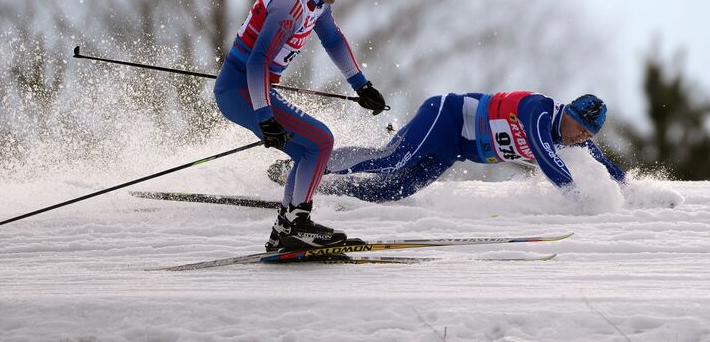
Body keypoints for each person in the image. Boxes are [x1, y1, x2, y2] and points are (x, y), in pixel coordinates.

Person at [214, 0, 386, 251]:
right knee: (321, 141)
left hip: (251, 88)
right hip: (243, 90)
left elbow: (332, 38)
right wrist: (265, 117)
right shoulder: (289, 7)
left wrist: (362, 85)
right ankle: (297, 225)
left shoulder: (315, 1)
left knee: (310, 150)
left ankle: (286, 227)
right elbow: (257, 62)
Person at [268, 91, 625, 202]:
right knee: (391, 160)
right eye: (579, 128)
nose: (580, 139)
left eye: (587, 136)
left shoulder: (572, 140)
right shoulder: (540, 110)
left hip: (453, 149)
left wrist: (631, 190)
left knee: (393, 188)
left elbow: (605, 165)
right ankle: (306, 165)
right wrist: (576, 195)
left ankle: (325, 191)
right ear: (569, 113)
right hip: (447, 117)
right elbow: (546, 158)